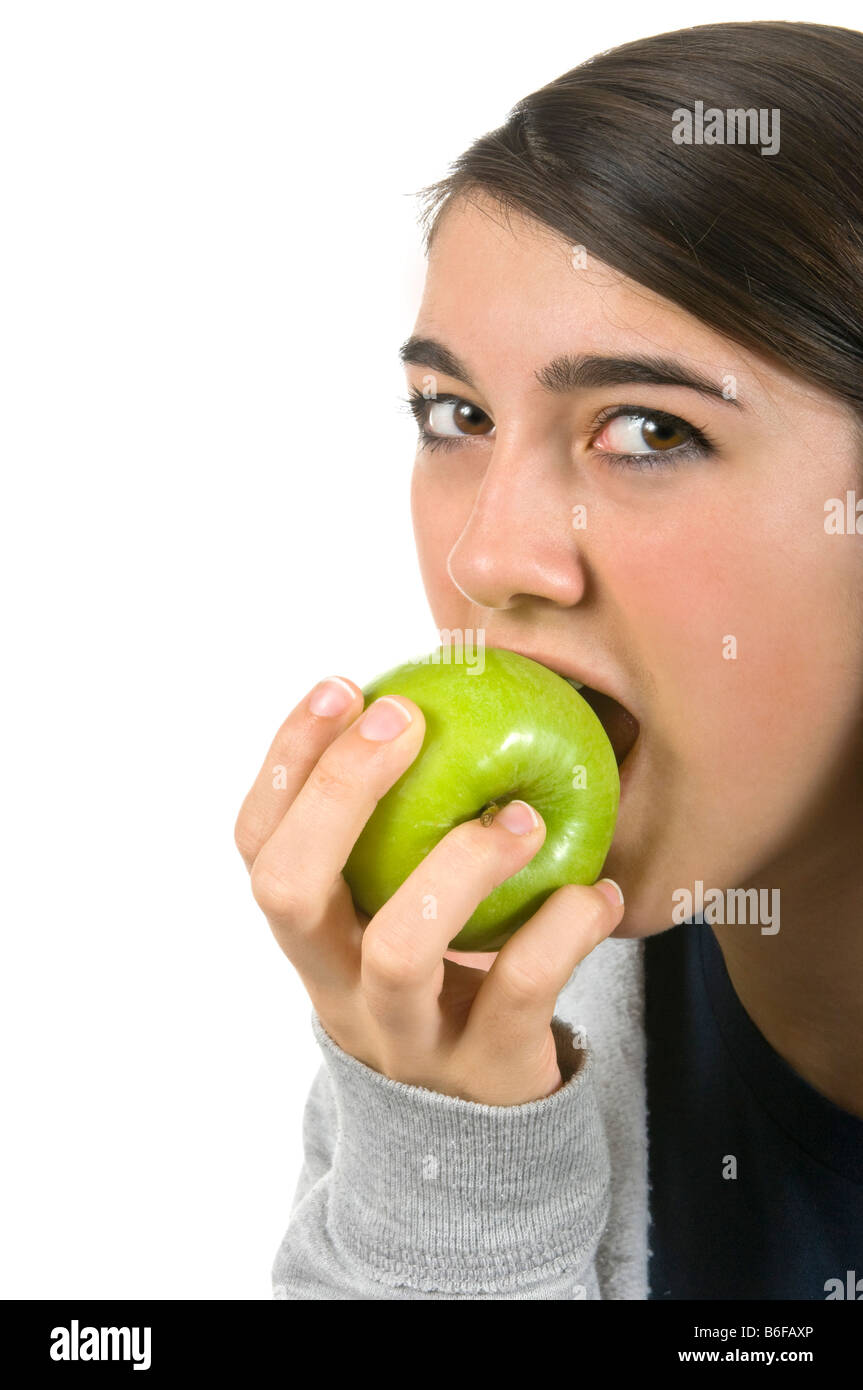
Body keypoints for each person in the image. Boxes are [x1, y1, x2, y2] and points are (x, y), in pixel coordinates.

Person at [234, 20, 863, 1299]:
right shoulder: (487, 1003)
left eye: (645, 428)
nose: (487, 556)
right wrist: (453, 1169)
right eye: (454, 417)